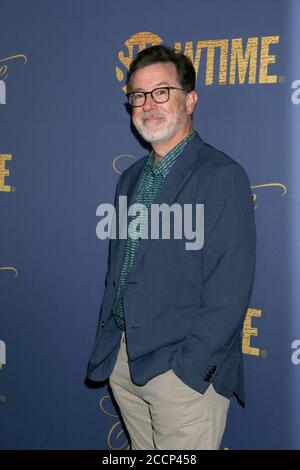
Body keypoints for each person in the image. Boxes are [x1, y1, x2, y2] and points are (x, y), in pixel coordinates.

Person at [87, 45, 256, 450]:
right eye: (138, 95)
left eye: (161, 91)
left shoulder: (222, 176)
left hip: (180, 373)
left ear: (190, 99)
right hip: (125, 362)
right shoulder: (129, 179)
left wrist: (190, 371)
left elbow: (230, 289)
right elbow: (123, 271)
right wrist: (116, 357)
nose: (148, 104)